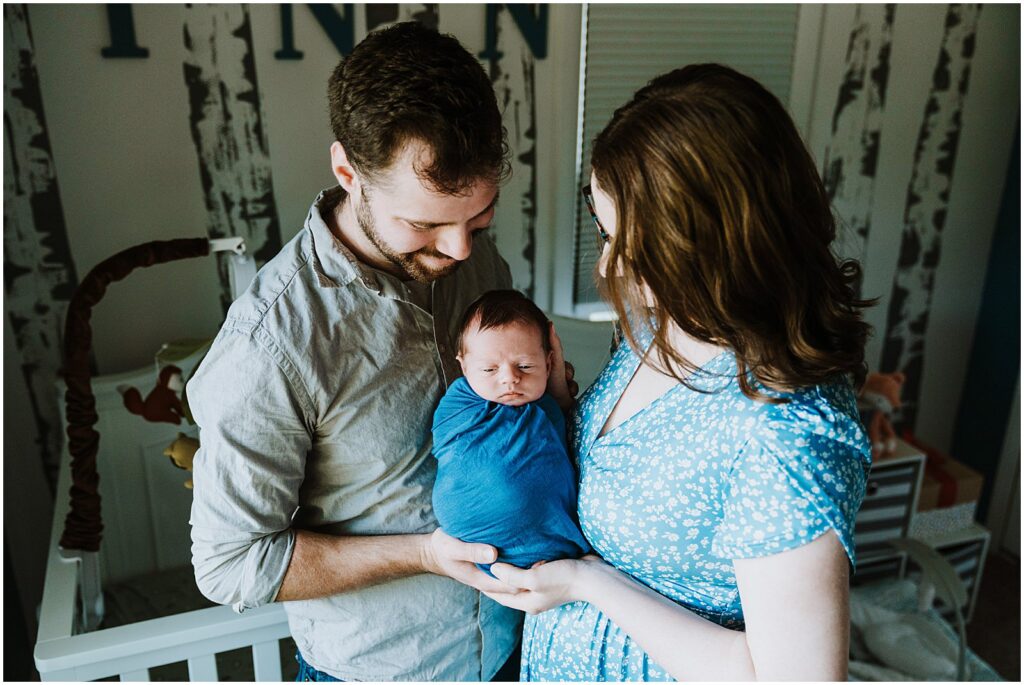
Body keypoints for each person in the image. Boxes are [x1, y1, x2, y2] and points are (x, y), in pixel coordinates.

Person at [482, 64, 874, 681]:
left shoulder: (787, 429)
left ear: (708, 246)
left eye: (632, 246)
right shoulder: (656, 323)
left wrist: (590, 583)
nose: (610, 264)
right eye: (605, 233)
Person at [187, 22, 536, 682]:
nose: (462, 251)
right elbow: (230, 563)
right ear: (349, 171)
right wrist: (427, 553)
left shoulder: (470, 257)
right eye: (426, 224)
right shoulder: (269, 345)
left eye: (478, 219)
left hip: (519, 643)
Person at [431, 289, 590, 576]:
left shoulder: (548, 408)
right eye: (489, 369)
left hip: (549, 547)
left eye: (526, 366)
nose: (509, 379)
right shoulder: (460, 404)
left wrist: (558, 393)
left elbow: (566, 436)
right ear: (464, 367)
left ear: (549, 363)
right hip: (476, 544)